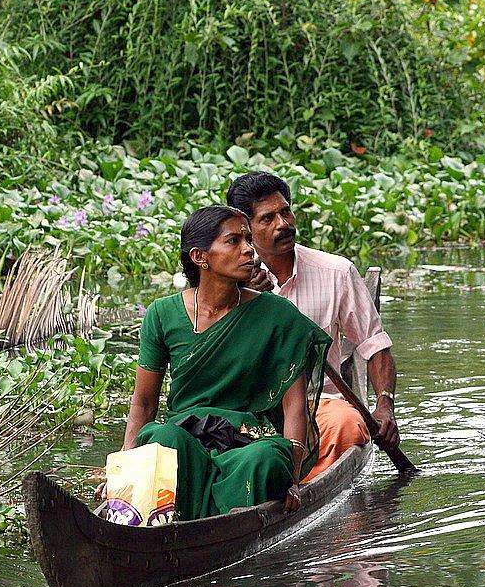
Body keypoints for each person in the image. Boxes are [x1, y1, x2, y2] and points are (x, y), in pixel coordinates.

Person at [109, 205, 332, 521]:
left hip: (247, 441)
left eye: (248, 240)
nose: (249, 251)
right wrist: (122, 471)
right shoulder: (162, 314)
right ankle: (162, 523)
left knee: (268, 457)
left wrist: (293, 476)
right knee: (160, 439)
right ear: (201, 257)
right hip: (185, 437)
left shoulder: (277, 316)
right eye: (234, 242)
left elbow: (294, 408)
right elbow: (143, 405)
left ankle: (225, 528)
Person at [226, 172, 400, 483]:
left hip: (317, 405)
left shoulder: (336, 272)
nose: (283, 224)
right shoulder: (225, 279)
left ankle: (298, 489)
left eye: (286, 211)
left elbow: (375, 345)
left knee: (346, 424)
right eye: (268, 218)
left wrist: (384, 404)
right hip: (246, 408)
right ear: (246, 229)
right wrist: (242, 296)